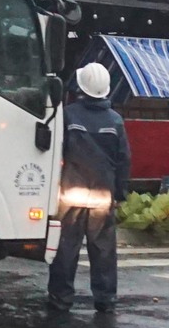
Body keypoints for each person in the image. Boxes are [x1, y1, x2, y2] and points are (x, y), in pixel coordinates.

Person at [49, 60, 130, 312]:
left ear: (81, 86)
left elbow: (55, 152)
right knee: (103, 250)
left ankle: (60, 298)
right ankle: (105, 299)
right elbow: (123, 159)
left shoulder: (68, 115)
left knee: (65, 249)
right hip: (102, 197)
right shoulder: (115, 121)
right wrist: (119, 193)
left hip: (70, 195)